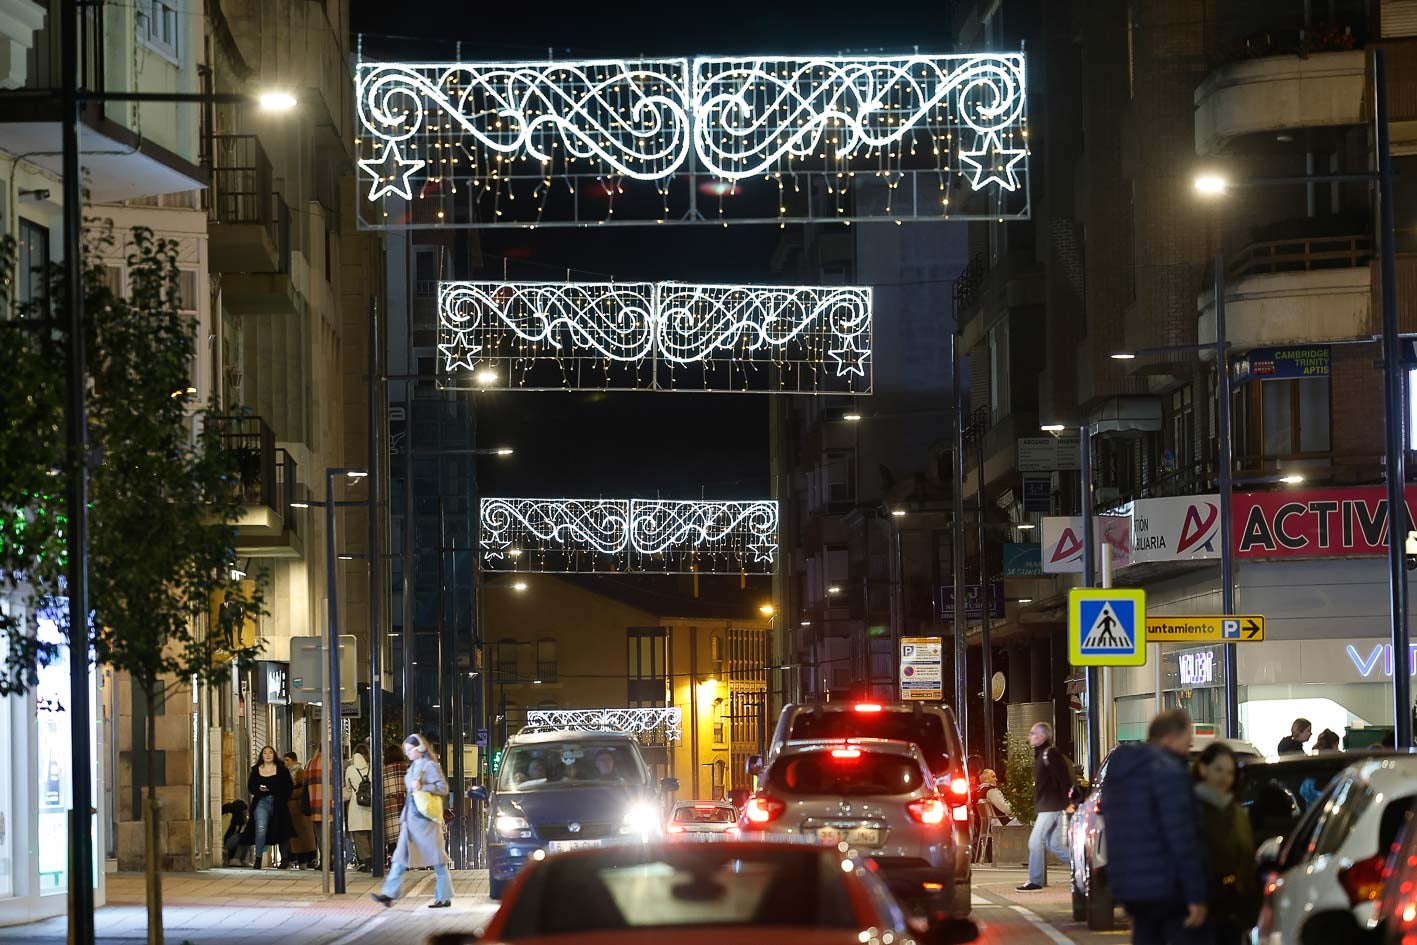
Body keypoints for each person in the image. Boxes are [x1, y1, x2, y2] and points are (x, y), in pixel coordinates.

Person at [1103, 709, 1209, 945]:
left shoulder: (1122, 773)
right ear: (1170, 737)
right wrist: (1196, 895)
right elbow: (1181, 837)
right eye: (1187, 736)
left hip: (1131, 886)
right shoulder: (1169, 771)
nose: (1190, 743)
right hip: (1168, 887)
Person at [370, 734, 454, 909]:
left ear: (420, 748)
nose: (407, 753)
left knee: (438, 859)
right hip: (410, 819)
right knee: (399, 857)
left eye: (409, 750)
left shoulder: (430, 766)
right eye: (405, 750)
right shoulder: (414, 766)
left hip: (426, 821)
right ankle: (389, 894)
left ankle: (444, 896)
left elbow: (443, 788)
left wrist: (422, 787)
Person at [1193, 742, 1260, 945]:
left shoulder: (1236, 810)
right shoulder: (1191, 808)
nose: (1225, 778)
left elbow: (1246, 857)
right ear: (1203, 769)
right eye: (1218, 770)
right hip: (1202, 905)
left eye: (1230, 772)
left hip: (1233, 905)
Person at [1015, 722, 1074, 891]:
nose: (1029, 737)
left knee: (1035, 841)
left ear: (1042, 737)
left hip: (1052, 805)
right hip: (1049, 805)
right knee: (1054, 845)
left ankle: (1035, 880)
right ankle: (1086, 868)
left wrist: (1067, 802)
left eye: (1033, 733)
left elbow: (1064, 779)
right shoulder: (1042, 755)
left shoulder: (1050, 754)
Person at [240, 746, 294, 869]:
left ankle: (284, 859)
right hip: (261, 803)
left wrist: (278, 794)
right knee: (261, 829)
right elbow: (251, 786)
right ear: (261, 756)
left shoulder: (282, 770)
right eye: (265, 753)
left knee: (282, 829)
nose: (268, 755)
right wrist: (259, 790)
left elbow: (288, 787)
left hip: (278, 803)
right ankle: (258, 859)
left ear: (274, 754)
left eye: (270, 752)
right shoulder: (255, 770)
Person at [285, 752, 317, 869]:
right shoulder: (286, 773)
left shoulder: (300, 772)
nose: (285, 763)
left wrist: (289, 794)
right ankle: (296, 859)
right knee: (295, 838)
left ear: (294, 760)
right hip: (291, 810)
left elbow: (303, 790)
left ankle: (305, 860)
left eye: (287, 760)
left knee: (302, 837)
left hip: (299, 810)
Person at [346, 742, 374, 871]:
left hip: (356, 806)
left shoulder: (350, 769)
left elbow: (347, 789)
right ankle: (373, 860)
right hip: (372, 805)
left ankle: (365, 861)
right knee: (371, 834)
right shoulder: (372, 768)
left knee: (359, 835)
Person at [382, 743, 408, 866]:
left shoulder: (383, 771)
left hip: (389, 805)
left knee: (392, 836)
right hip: (404, 804)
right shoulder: (406, 769)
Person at [305, 748, 324, 867]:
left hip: (315, 804)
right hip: (331, 806)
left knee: (320, 835)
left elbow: (305, 781)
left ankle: (324, 860)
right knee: (331, 835)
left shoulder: (310, 763)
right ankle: (331, 859)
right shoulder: (334, 762)